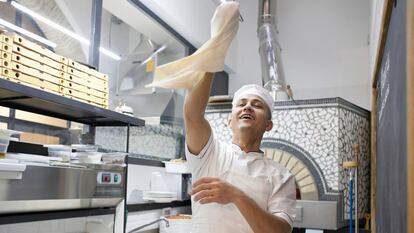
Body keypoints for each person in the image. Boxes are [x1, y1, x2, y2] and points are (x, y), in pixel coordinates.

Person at [184, 73, 296, 233]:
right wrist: (210, 67)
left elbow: (281, 231)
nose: (248, 107)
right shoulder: (210, 153)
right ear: (230, 121)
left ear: (268, 125)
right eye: (241, 104)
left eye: (257, 105)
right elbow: (192, 116)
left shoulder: (281, 176)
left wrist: (236, 196)